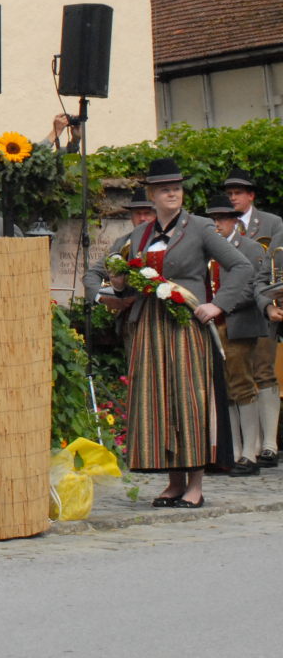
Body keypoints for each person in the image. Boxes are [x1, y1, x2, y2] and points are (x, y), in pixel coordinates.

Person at [95, 158, 251, 508]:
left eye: (177, 188)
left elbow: (241, 266)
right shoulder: (140, 235)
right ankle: (173, 482)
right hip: (148, 327)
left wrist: (218, 305)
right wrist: (117, 286)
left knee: (188, 400)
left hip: (184, 327)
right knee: (158, 402)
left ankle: (195, 485)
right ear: (151, 195)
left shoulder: (200, 228)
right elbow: (125, 282)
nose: (173, 193)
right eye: (165, 189)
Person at [204, 194, 272, 476]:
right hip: (212, 323)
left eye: (222, 218)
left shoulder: (250, 248)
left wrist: (221, 304)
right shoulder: (207, 249)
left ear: (234, 221)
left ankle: (249, 453)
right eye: (213, 219)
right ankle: (232, 451)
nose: (217, 223)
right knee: (225, 388)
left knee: (241, 385)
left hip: (238, 322)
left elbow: (254, 287)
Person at [222, 168, 282, 467]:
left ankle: (269, 442)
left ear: (251, 195)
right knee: (238, 377)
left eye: (238, 193)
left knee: (263, 370)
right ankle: (250, 445)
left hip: (262, 310)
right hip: (234, 314)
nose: (233, 197)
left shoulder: (271, 223)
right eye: (230, 193)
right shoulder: (219, 226)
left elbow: (274, 267)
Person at [83, 186, 156, 307]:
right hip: (130, 310)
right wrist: (102, 298)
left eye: (147, 213)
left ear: (156, 215)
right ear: (131, 216)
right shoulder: (122, 243)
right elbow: (92, 274)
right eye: (137, 214)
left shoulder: (166, 240)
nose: (142, 218)